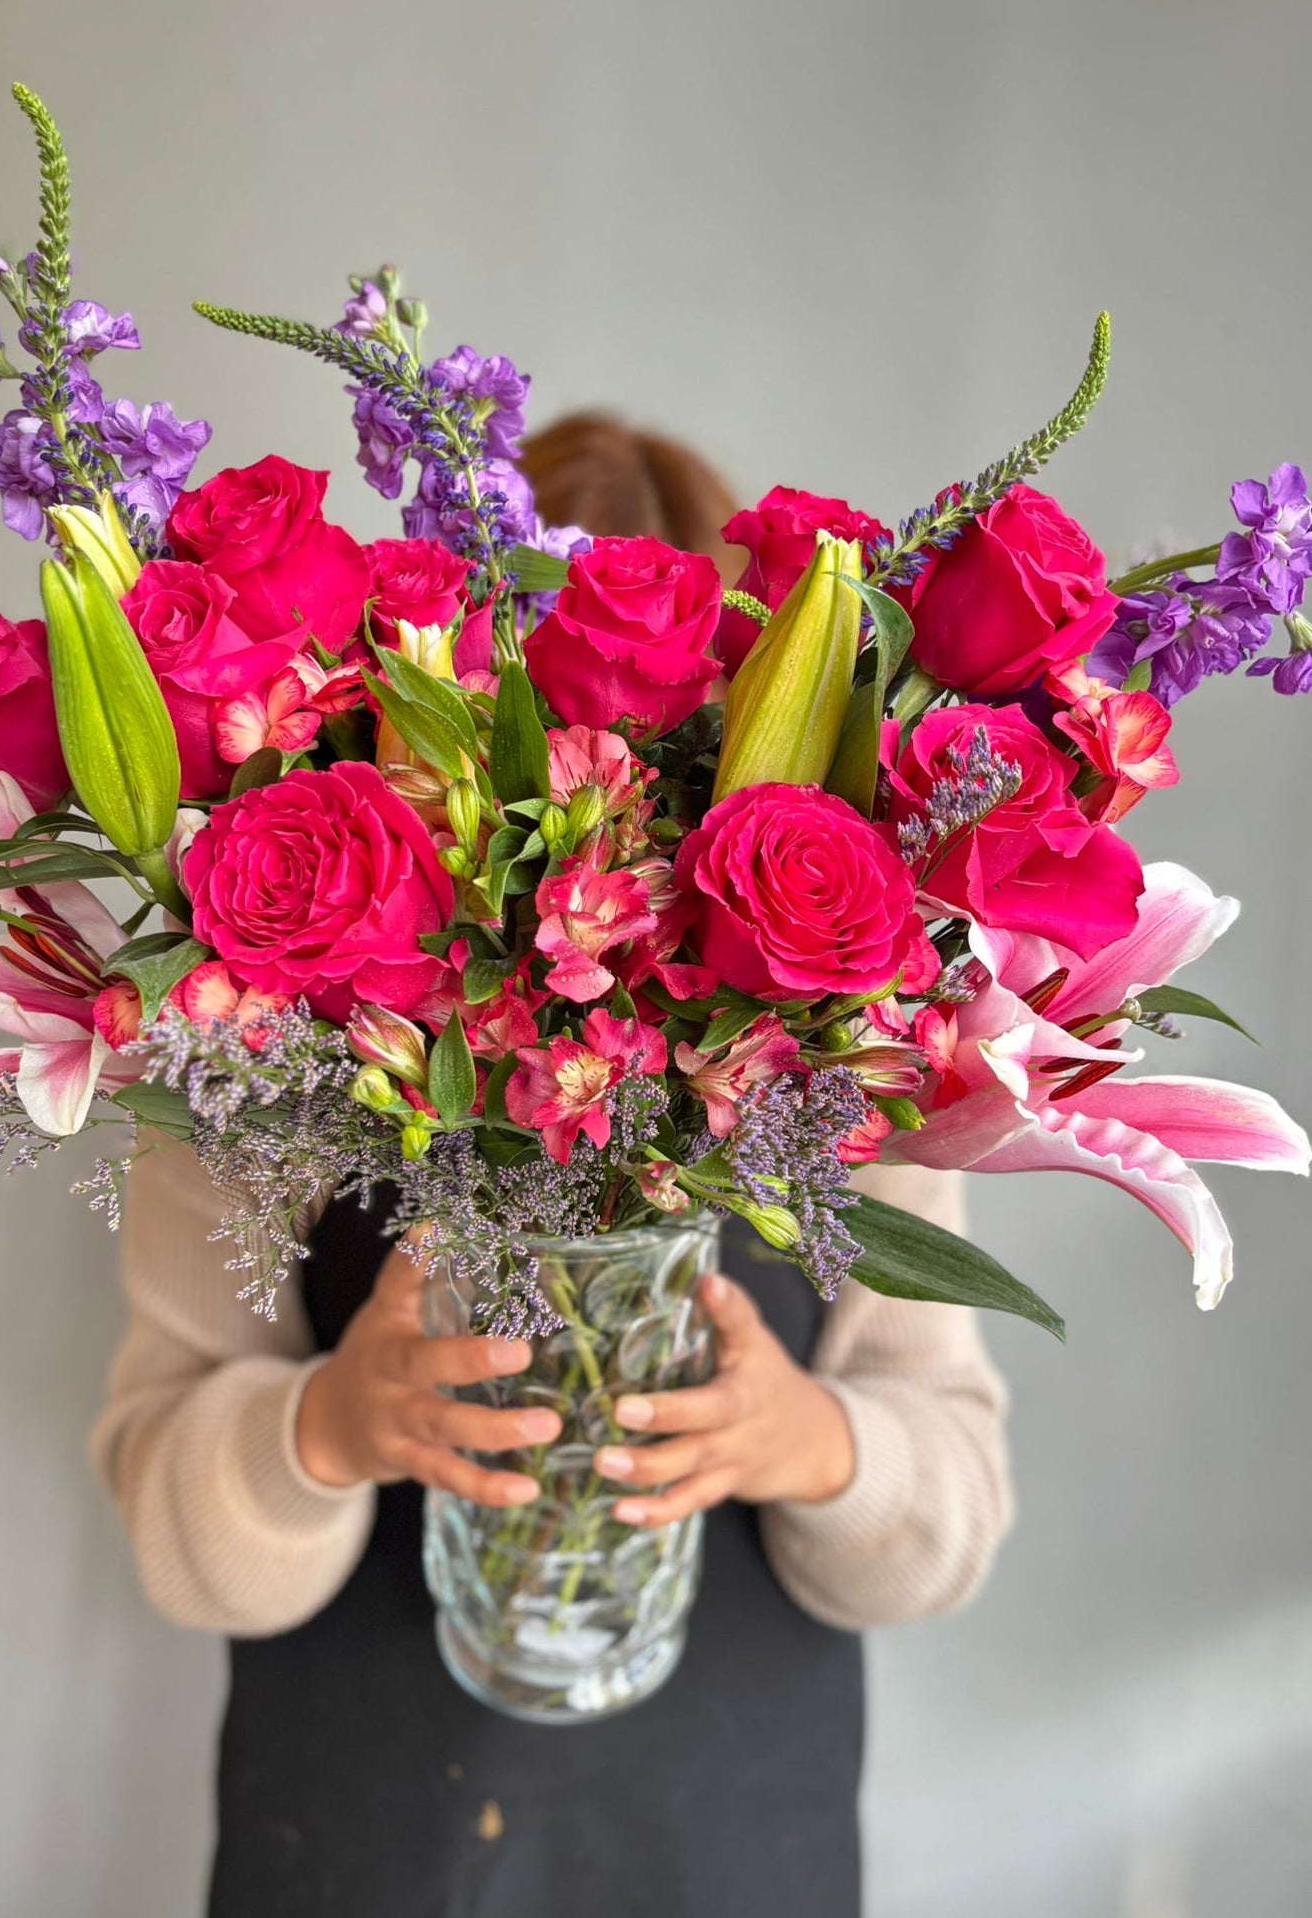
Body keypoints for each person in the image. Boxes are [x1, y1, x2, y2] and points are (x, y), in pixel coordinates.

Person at [93, 415, 1014, 1918]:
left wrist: (817, 1448)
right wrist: (323, 1425)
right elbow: (173, 1526)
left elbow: (948, 1521)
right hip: (361, 1841)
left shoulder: (864, 1077)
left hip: (727, 1844)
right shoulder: (243, 1068)